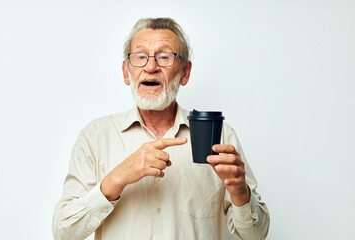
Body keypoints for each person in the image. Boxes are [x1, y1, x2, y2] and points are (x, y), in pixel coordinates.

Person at [53, 17, 270, 240]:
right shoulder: (95, 137)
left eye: (164, 57)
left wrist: (240, 192)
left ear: (185, 72)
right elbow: (64, 232)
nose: (150, 67)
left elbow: (256, 235)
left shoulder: (220, 135)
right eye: (140, 57)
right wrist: (117, 178)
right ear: (126, 72)